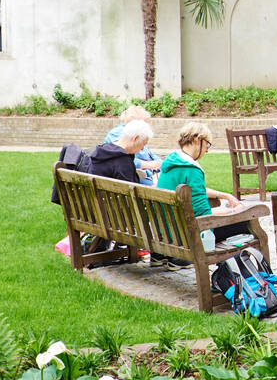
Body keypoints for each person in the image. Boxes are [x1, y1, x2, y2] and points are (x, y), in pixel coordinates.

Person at [154, 122, 254, 268]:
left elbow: (190, 190)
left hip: (167, 231)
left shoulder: (172, 163)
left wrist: (225, 196)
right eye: (207, 144)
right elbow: (204, 217)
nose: (207, 150)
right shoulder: (192, 170)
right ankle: (232, 274)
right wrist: (233, 212)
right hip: (186, 236)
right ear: (197, 140)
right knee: (244, 224)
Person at [104, 105, 161, 185]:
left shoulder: (137, 135)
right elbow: (124, 159)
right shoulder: (121, 135)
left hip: (145, 175)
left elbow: (149, 153)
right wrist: (148, 165)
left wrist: (160, 163)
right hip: (139, 177)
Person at [89, 119, 152, 185]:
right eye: (143, 144)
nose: (142, 148)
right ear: (135, 138)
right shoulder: (123, 161)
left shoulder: (102, 151)